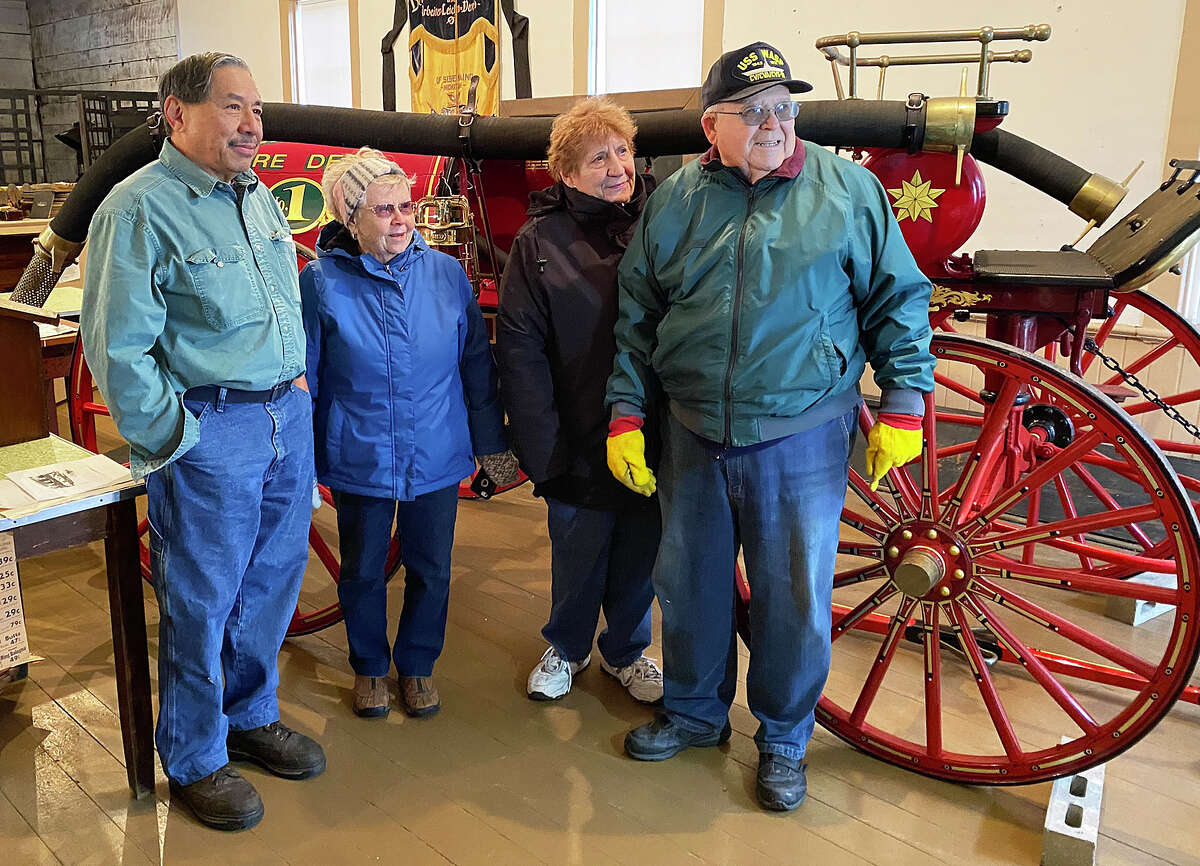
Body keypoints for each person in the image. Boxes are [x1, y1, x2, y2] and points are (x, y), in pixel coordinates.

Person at [605, 42, 935, 811]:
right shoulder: (677, 198)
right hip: (691, 428)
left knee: (792, 597)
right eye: (753, 112)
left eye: (784, 108)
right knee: (687, 586)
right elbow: (637, 316)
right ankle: (693, 711)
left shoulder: (847, 191)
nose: (773, 124)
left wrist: (908, 402)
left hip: (800, 431)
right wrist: (627, 412)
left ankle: (784, 737)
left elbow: (899, 299)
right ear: (710, 125)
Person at [80, 53, 325, 831]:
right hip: (211, 431)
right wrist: (180, 440)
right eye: (232, 107)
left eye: (256, 108)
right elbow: (117, 352)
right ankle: (194, 757)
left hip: (285, 421)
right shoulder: (137, 209)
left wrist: (293, 382)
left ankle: (250, 716)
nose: (253, 125)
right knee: (203, 598)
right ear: (176, 113)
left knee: (272, 585)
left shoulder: (255, 199)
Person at [300, 147, 517, 721]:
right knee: (363, 568)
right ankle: (370, 667)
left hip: (436, 449)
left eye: (406, 207)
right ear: (350, 218)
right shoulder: (321, 283)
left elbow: (475, 365)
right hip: (361, 451)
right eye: (383, 210)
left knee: (432, 566)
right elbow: (308, 377)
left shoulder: (446, 276)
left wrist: (490, 442)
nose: (400, 220)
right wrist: (301, 460)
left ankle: (417, 664)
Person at [496, 98, 664, 705]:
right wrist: (543, 449)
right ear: (565, 174)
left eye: (623, 150)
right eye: (598, 158)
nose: (617, 166)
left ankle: (627, 650)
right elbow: (520, 349)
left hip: (653, 428)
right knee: (579, 550)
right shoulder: (541, 242)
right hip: (575, 432)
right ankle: (567, 646)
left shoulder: (662, 220)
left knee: (640, 552)